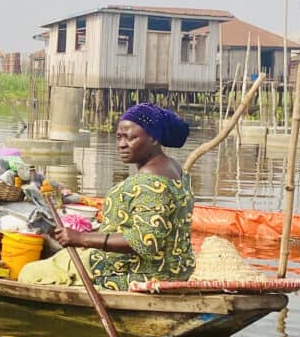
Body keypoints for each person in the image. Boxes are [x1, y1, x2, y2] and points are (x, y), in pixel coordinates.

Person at [23, 103, 195, 291]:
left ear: (154, 139)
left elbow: (146, 242)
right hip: (178, 268)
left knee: (29, 272)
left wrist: (81, 238)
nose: (122, 144)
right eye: (119, 137)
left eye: (130, 138)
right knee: (63, 257)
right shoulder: (176, 169)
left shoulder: (148, 183)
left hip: (140, 274)